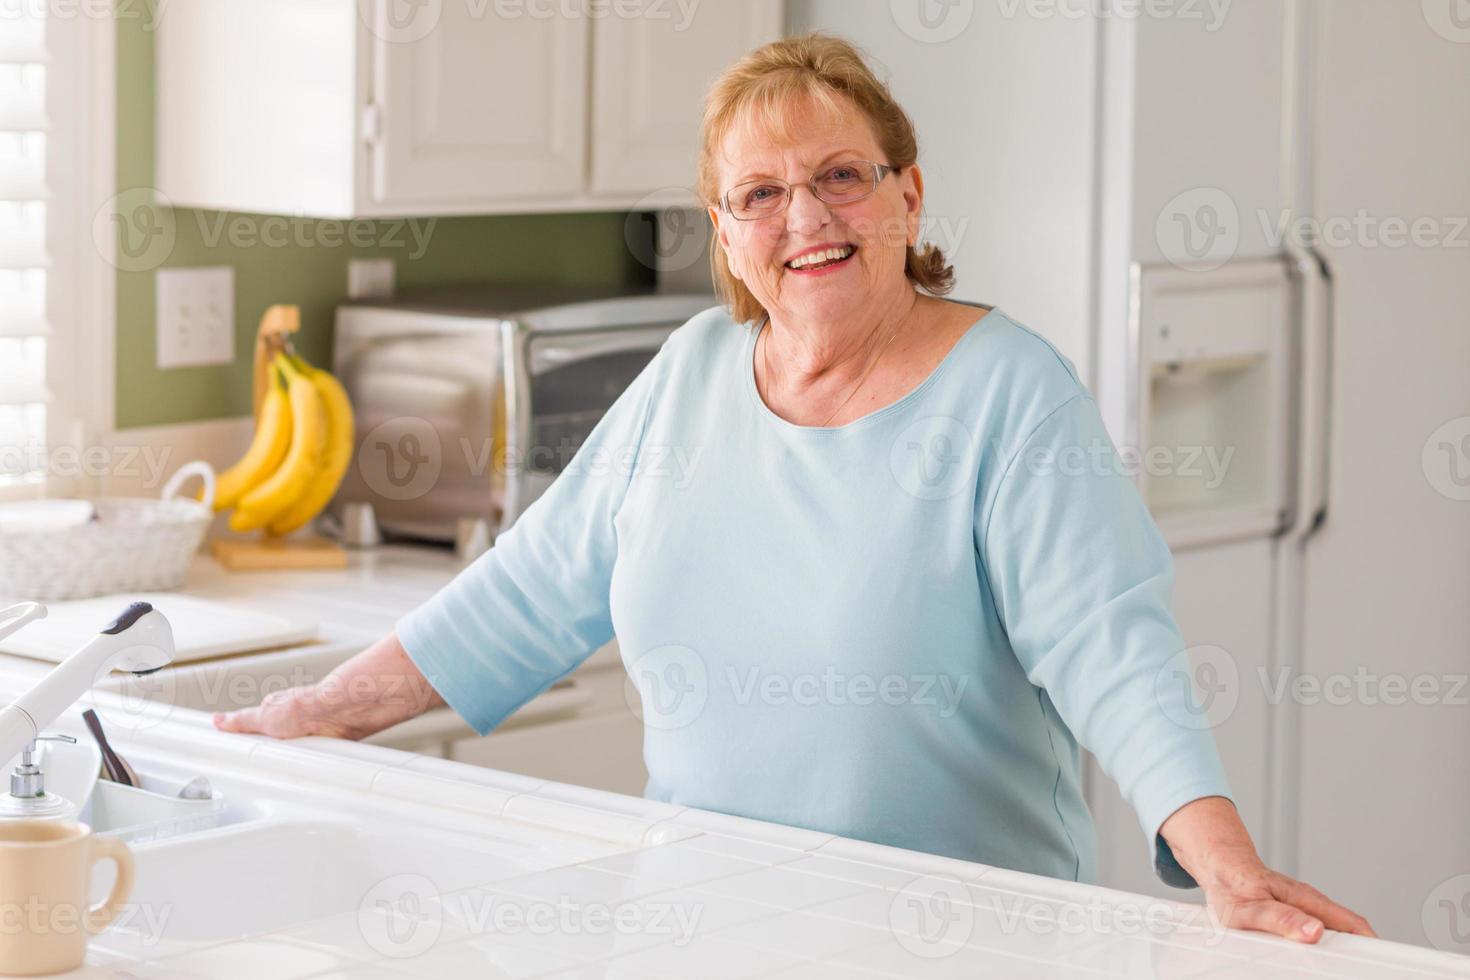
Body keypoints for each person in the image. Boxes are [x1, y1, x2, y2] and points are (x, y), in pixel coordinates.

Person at [218, 33, 1373, 943]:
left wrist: (1222, 859)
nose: (806, 218)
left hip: (959, 938)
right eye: (760, 194)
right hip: (705, 921)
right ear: (725, 236)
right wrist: (316, 711)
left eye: (840, 178)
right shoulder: (689, 377)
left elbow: (1113, 649)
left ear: (908, 197)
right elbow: (522, 590)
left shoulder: (1010, 395)